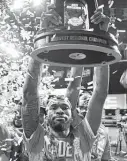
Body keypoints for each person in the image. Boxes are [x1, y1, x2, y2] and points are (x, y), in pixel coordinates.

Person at [21, 2, 110, 161]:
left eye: (65, 107)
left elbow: (100, 92)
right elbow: (29, 95)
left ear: (73, 115)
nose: (60, 110)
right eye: (54, 107)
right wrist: (42, 36)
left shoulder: (84, 138)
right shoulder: (37, 138)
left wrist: (101, 36)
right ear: (46, 116)